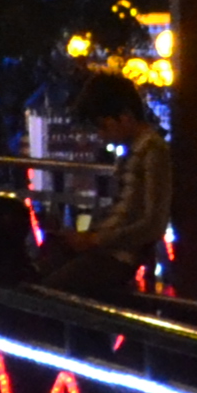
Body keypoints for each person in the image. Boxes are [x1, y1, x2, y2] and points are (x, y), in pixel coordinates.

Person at [35, 100, 168, 300]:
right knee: (37, 270)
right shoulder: (135, 150)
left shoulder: (152, 150)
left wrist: (95, 239)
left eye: (104, 126)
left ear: (125, 117)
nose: (101, 135)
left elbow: (152, 224)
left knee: (49, 292)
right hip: (107, 247)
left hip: (119, 255)